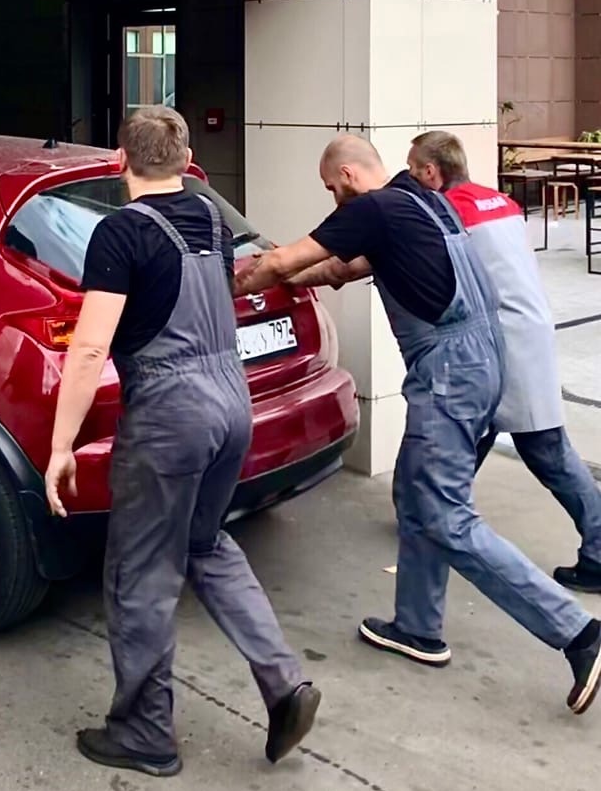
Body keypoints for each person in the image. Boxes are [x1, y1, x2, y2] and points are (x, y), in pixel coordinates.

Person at [235, 134, 601, 717]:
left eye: (331, 186)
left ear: (348, 175)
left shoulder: (371, 209)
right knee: (415, 490)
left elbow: (284, 261)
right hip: (485, 358)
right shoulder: (421, 200)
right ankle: (417, 627)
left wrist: (224, 285)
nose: (332, 197)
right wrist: (293, 277)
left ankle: (577, 632)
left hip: (450, 372)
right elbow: (340, 268)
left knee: (448, 516)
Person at [45, 106, 319, 777]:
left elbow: (90, 350)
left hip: (171, 412)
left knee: (139, 572)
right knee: (203, 543)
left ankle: (145, 733)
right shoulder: (212, 218)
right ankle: (284, 681)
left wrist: (61, 447)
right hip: (232, 402)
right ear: (186, 159)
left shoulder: (120, 232)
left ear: (121, 161)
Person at [407, 130, 601, 594]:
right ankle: (428, 515)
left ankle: (600, 550)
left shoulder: (449, 211)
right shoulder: (501, 202)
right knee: (470, 435)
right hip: (527, 330)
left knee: (547, 452)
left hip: (506, 339)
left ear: (431, 172)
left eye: (413, 168)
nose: (409, 176)